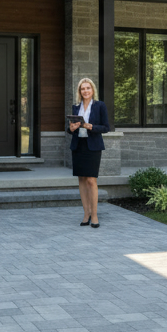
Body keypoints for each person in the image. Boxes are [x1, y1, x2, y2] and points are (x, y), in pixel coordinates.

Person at [68, 76, 110, 228]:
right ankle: (86, 214)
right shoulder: (76, 107)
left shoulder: (100, 106)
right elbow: (70, 129)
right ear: (79, 91)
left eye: (88, 88)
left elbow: (106, 127)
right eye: (82, 89)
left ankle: (95, 215)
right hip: (78, 146)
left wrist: (91, 126)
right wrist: (71, 128)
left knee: (91, 180)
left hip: (93, 146)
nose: (85, 91)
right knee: (81, 180)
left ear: (92, 90)